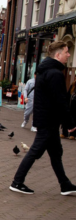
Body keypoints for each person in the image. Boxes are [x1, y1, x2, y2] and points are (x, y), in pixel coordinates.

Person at [9, 41, 76, 196]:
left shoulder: (45, 71)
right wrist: (70, 123)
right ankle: (17, 182)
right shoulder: (55, 74)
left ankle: (65, 184)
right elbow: (60, 101)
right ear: (58, 55)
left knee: (55, 152)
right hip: (49, 121)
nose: (69, 54)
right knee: (35, 151)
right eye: (66, 52)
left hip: (46, 119)